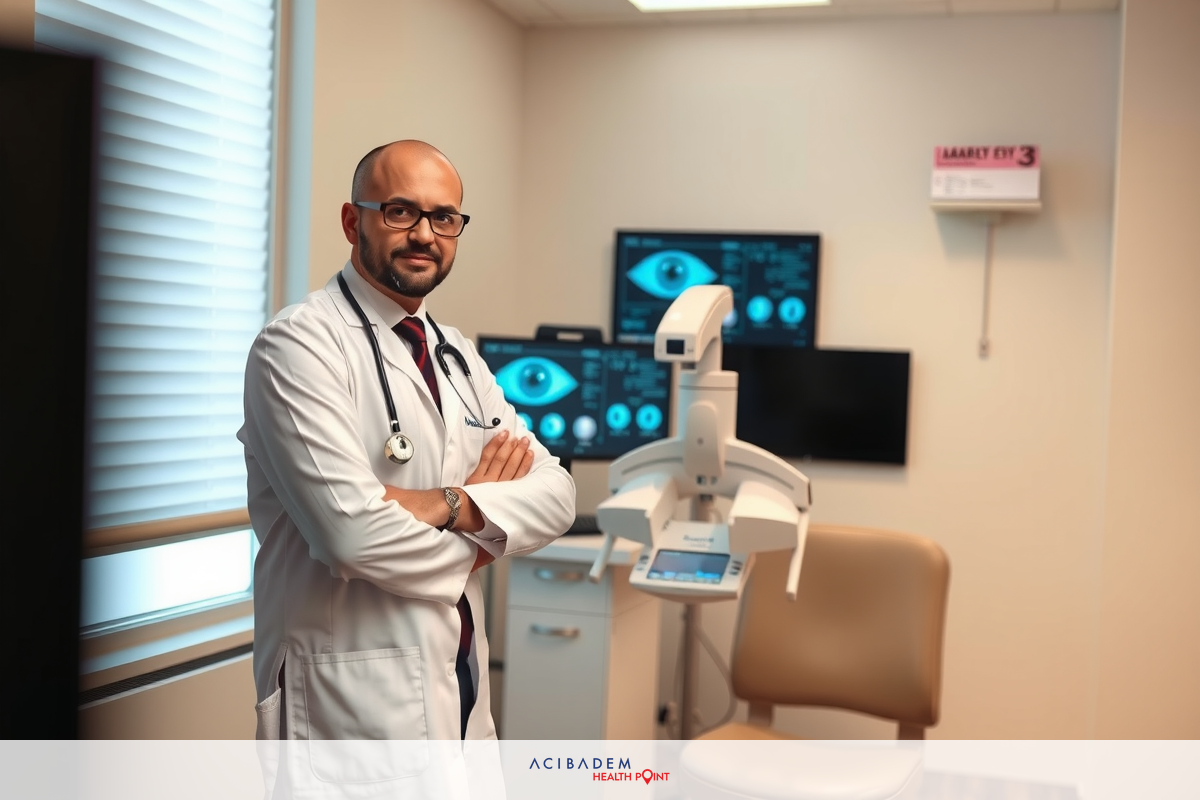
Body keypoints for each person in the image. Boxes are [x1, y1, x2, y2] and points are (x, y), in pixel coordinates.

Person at [238, 140, 575, 765]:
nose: (425, 234)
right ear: (352, 220)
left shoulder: (455, 354)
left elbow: (556, 493)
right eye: (400, 211)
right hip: (349, 713)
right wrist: (487, 533)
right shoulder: (298, 347)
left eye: (444, 218)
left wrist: (447, 503)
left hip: (460, 691)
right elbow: (351, 536)